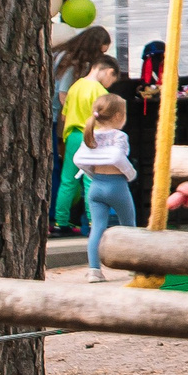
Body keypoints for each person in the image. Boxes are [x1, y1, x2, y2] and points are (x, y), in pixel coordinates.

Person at [71, 92, 136, 282]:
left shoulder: (90, 134)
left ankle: (94, 270)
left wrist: (93, 176)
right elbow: (120, 159)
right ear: (118, 116)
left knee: (97, 228)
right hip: (117, 186)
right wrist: (131, 175)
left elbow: (82, 161)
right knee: (129, 226)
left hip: (96, 186)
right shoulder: (120, 136)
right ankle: (133, 267)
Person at [53, 55, 120, 232]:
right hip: (92, 138)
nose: (109, 84)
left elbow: (64, 115)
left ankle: (61, 223)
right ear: (109, 71)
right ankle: (94, 222)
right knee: (91, 180)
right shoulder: (100, 92)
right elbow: (107, 122)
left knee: (68, 180)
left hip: (72, 137)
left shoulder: (75, 86)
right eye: (111, 80)